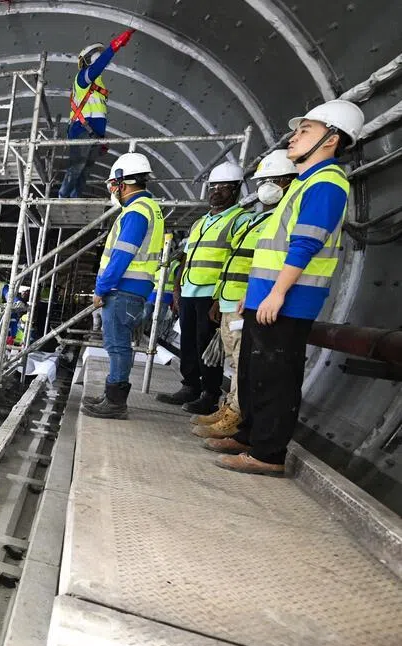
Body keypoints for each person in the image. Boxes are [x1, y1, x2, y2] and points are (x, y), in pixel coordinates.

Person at [212, 100, 363, 476]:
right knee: (252, 371)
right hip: (267, 295)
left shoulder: (327, 183)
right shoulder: (303, 183)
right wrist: (254, 292)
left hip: (290, 300)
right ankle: (249, 436)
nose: (294, 137)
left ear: (332, 139)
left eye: (306, 130)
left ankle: (268, 454)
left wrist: (277, 293)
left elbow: (305, 244)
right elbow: (272, 249)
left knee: (275, 376)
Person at [193, 150, 298, 440]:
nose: (266, 187)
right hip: (233, 299)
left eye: (274, 180)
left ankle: (237, 414)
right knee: (234, 360)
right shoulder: (257, 220)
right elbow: (232, 261)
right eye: (263, 181)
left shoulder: (282, 219)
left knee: (243, 361)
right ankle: (231, 407)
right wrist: (218, 297)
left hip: (250, 302)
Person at [156, 162, 252, 415]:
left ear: (236, 190)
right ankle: (190, 386)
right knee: (188, 341)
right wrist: (178, 289)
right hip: (189, 291)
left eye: (223, 187)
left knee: (207, 346)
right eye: (213, 187)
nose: (216, 191)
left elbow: (237, 260)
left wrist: (219, 299)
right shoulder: (200, 222)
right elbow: (186, 257)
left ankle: (210, 393)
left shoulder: (240, 220)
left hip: (211, 295)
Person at [83, 152, 164, 419]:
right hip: (133, 289)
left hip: (123, 289)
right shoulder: (149, 208)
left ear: (122, 183)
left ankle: (116, 403)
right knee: (118, 345)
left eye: (112, 185)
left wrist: (101, 288)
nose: (112, 191)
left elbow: (121, 255)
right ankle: (111, 395)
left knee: (117, 346)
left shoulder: (136, 211)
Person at [58, 29, 135, 198]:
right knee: (76, 168)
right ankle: (62, 197)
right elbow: (98, 67)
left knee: (84, 172)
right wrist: (113, 47)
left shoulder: (98, 83)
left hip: (93, 133)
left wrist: (102, 137)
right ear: (87, 60)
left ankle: (74, 200)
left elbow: (98, 113)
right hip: (82, 130)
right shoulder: (82, 78)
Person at [143, 252, 180, 336]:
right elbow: (178, 282)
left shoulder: (157, 261)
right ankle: (151, 336)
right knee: (157, 320)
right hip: (164, 296)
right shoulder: (176, 264)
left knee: (145, 316)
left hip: (153, 294)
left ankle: (139, 335)